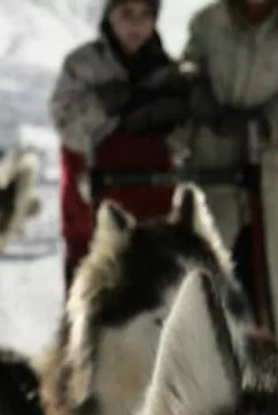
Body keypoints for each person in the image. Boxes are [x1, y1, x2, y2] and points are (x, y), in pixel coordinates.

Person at [182, 0, 278, 336]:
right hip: (211, 166)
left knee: (263, 279)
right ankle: (197, 349)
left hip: (268, 172)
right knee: (204, 269)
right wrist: (196, 88)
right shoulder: (209, 22)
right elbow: (189, 65)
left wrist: (266, 123)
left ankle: (263, 356)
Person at [49, 0, 189, 293]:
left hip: (151, 210)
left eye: (145, 15)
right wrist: (103, 105)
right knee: (91, 295)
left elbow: (183, 144)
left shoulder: (168, 72)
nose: (135, 25)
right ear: (109, 15)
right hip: (91, 205)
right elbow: (65, 125)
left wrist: (175, 121)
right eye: (127, 14)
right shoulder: (82, 65)